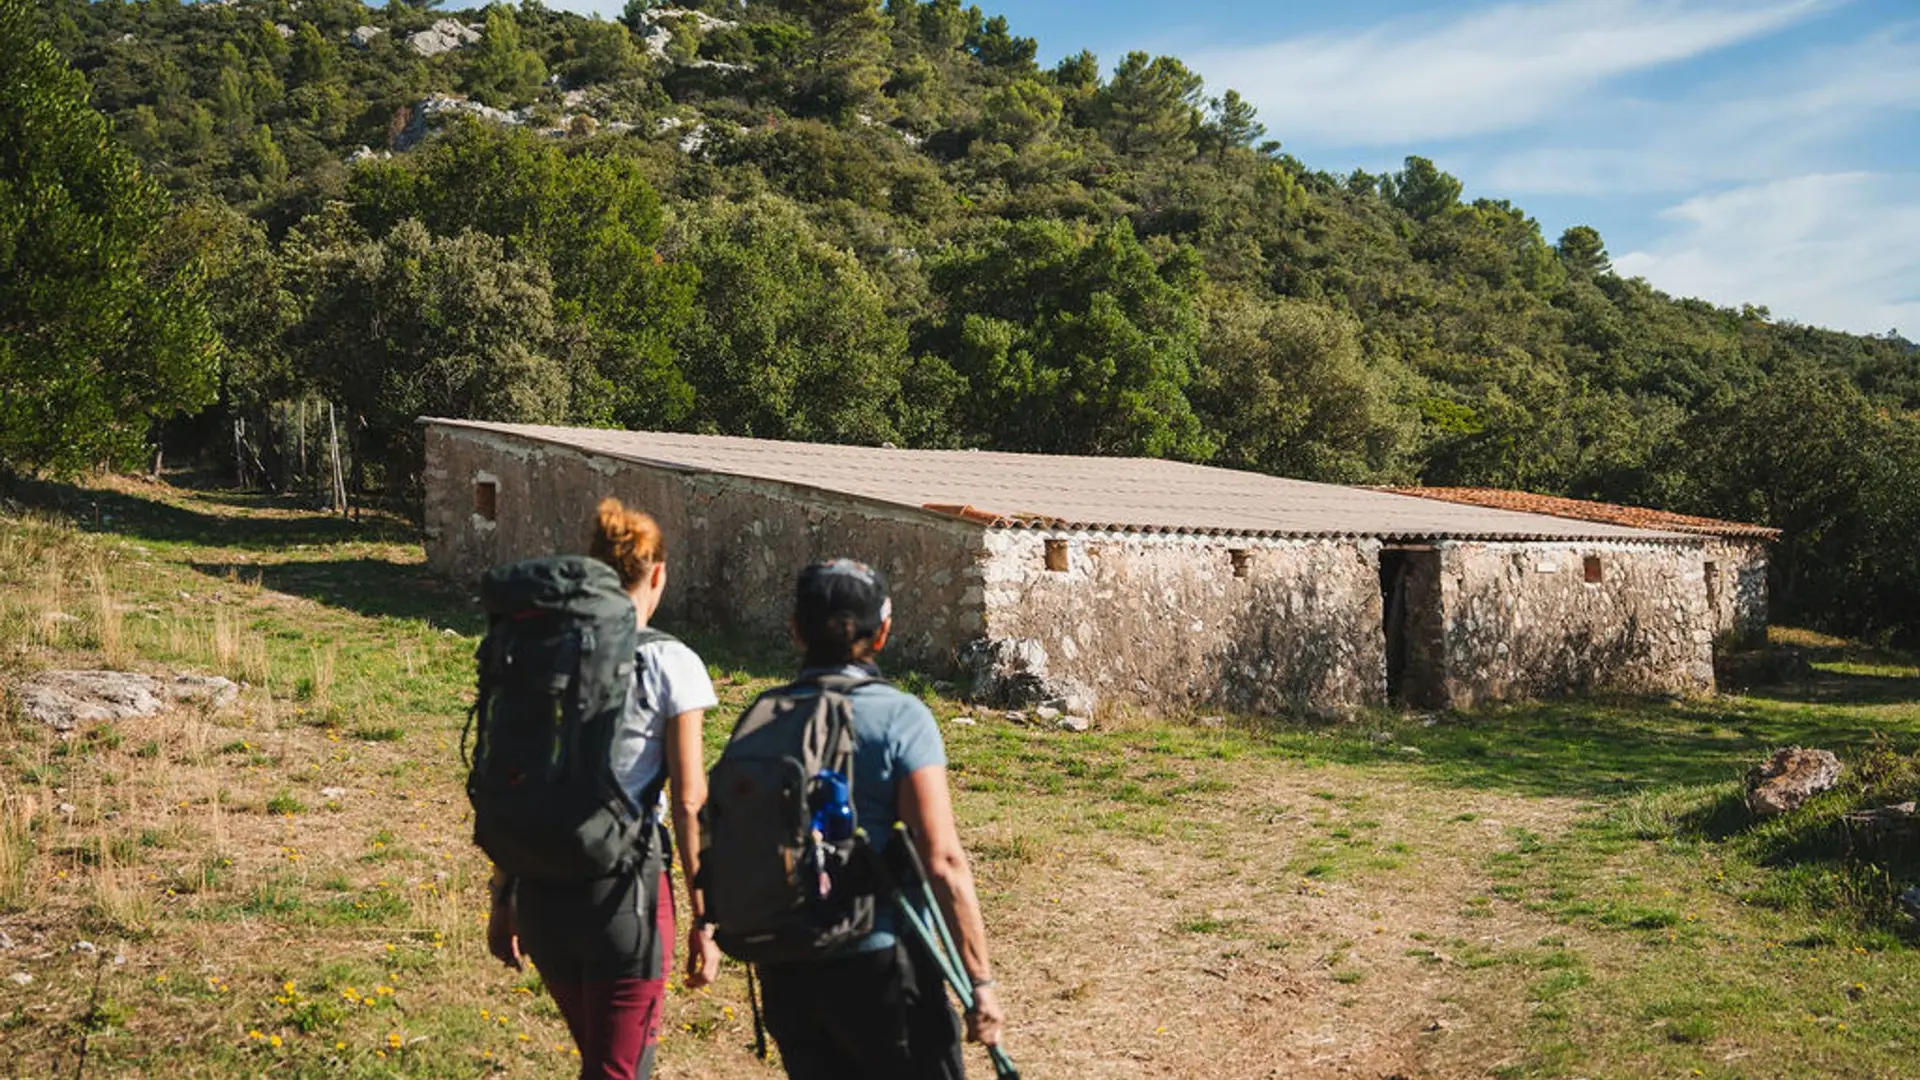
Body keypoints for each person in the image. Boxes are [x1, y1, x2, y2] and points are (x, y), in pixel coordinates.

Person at [485, 498, 723, 1080]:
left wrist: (503, 896)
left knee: (605, 1060)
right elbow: (690, 802)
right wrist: (706, 917)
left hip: (540, 892)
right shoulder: (674, 663)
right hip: (624, 899)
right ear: (658, 575)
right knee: (619, 1071)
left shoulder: (548, 657)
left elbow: (530, 768)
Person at [749, 558, 1007, 1079]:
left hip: (788, 968)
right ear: (883, 632)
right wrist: (979, 982)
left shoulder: (760, 716)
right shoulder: (899, 717)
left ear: (796, 630)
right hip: (879, 964)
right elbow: (942, 859)